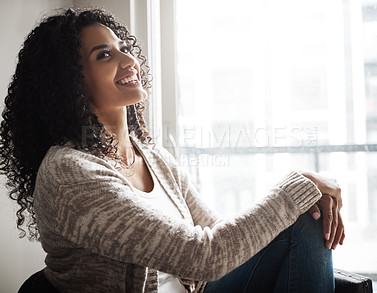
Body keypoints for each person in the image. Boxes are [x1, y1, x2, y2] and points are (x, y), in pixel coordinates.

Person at [0, 8, 345, 293]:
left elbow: (213, 231)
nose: (128, 59)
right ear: (69, 81)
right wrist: (296, 184)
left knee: (306, 220)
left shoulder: (152, 157)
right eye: (104, 54)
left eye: (123, 47)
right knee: (300, 202)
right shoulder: (68, 173)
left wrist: (299, 198)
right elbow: (205, 256)